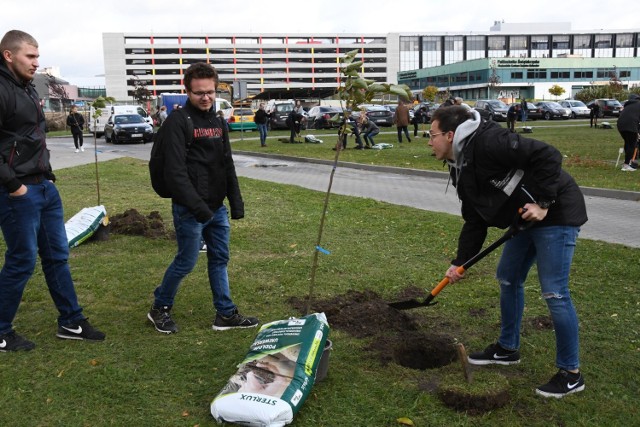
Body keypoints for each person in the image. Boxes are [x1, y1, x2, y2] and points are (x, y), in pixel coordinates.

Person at [428, 105, 588, 399]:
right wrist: (460, 262)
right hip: (523, 221)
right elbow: (475, 219)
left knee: (554, 291)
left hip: (556, 213)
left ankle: (570, 374)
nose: (429, 141)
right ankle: (507, 349)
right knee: (508, 278)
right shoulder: (461, 166)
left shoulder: (489, 142)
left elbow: (548, 154)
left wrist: (543, 202)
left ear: (450, 135)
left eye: (432, 135)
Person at [0, 30, 106, 351]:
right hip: (17, 192)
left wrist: (45, 178)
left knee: (57, 257)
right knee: (21, 261)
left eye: (37, 56)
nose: (36, 63)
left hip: (44, 187)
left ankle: (71, 320)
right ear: (8, 55)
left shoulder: (28, 87)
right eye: (30, 57)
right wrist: (13, 185)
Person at [147, 62, 258, 334]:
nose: (205, 97)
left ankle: (225, 314)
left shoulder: (218, 120)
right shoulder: (177, 122)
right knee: (186, 261)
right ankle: (159, 308)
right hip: (190, 209)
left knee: (219, 258)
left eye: (209, 92)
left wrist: (235, 201)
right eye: (199, 93)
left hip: (216, 207)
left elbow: (226, 162)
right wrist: (198, 208)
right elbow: (175, 173)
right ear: (187, 91)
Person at [616, 94, 640, 172]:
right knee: (632, 145)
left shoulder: (628, 105)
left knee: (628, 143)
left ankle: (627, 163)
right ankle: (626, 165)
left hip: (621, 125)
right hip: (630, 125)